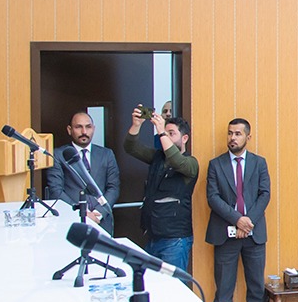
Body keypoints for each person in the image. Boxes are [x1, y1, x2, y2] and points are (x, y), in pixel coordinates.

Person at [204, 117, 272, 302]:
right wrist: (237, 220)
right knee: (224, 287)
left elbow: (265, 194)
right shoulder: (216, 165)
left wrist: (247, 222)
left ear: (248, 137)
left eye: (237, 134)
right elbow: (213, 197)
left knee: (256, 285)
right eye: (230, 133)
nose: (232, 138)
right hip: (225, 234)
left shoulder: (259, 163)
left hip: (254, 234)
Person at [124, 105, 198, 273]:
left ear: (184, 138)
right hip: (153, 236)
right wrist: (136, 125)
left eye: (172, 133)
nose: (166, 136)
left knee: (173, 285)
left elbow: (176, 160)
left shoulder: (191, 163)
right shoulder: (157, 157)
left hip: (175, 240)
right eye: (166, 133)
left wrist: (161, 132)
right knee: (151, 282)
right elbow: (130, 147)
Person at [45, 108, 120, 237]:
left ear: (93, 129)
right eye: (78, 127)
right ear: (69, 130)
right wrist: (82, 212)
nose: (84, 132)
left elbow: (113, 187)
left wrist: (98, 213)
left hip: (101, 222)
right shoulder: (58, 155)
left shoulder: (106, 154)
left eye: (88, 127)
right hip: (71, 222)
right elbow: (56, 190)